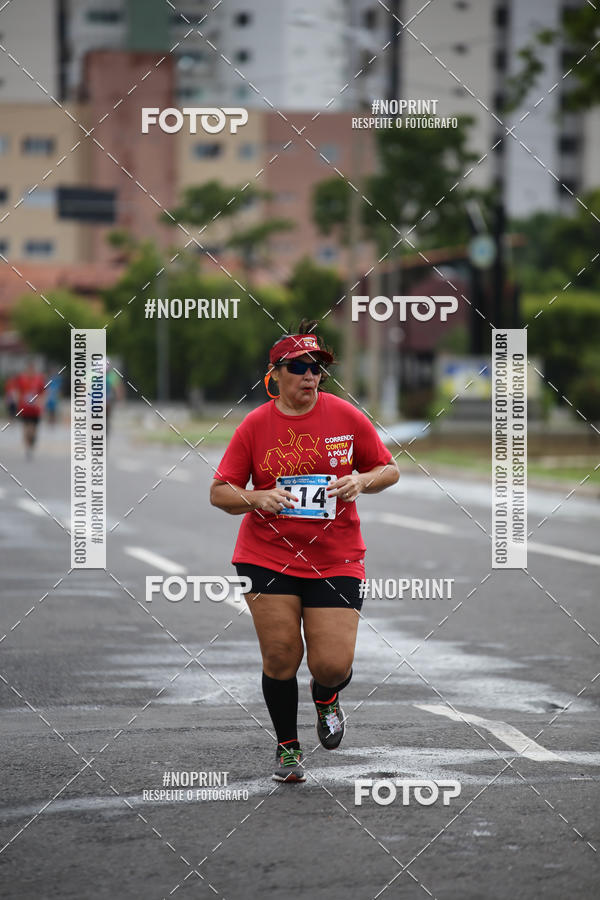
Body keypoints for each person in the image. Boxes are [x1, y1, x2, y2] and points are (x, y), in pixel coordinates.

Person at [210, 320, 399, 782]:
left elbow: (389, 470)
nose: (310, 375)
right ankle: (288, 747)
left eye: (317, 367)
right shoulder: (255, 425)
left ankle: (327, 696)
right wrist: (255, 497)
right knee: (280, 657)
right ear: (274, 375)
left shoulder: (347, 417)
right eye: (299, 367)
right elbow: (220, 491)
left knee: (331, 665)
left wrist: (360, 480)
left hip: (336, 557)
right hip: (266, 556)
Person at [14, 360, 46, 459]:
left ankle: (32, 441)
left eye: (32, 370)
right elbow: (17, 391)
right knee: (26, 428)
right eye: (29, 370)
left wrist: (40, 402)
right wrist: (18, 401)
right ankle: (27, 447)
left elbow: (43, 393)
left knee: (33, 429)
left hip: (35, 409)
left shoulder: (39, 379)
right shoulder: (21, 379)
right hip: (24, 408)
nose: (30, 371)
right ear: (26, 370)